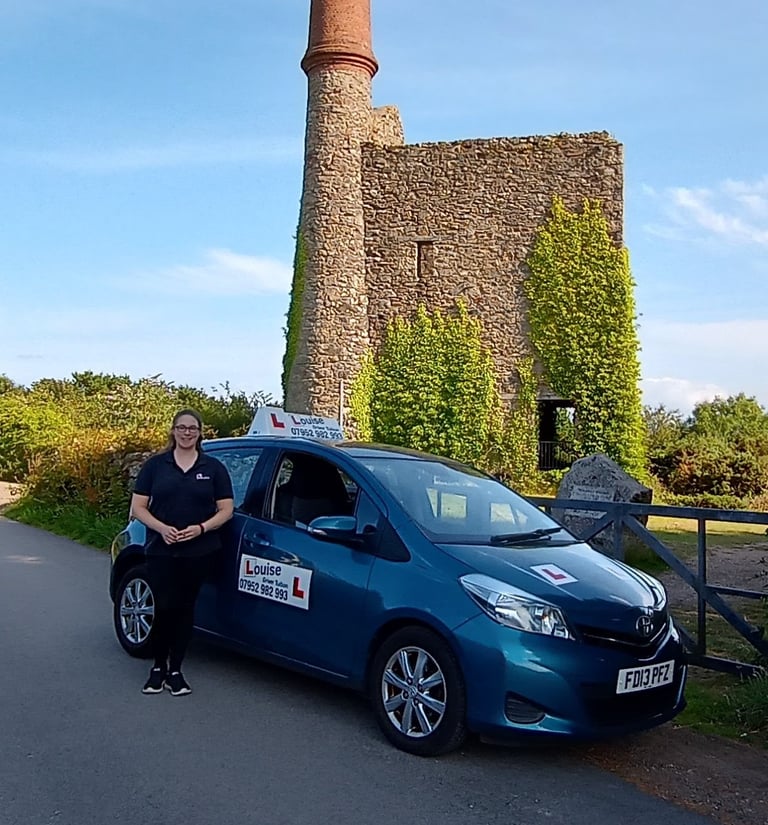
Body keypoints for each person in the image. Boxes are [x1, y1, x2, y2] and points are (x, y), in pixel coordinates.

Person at [130, 408, 234, 696]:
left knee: (185, 608)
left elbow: (226, 510)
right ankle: (157, 668)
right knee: (164, 607)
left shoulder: (213, 468)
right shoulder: (155, 466)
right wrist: (161, 528)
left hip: (199, 550)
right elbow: (138, 507)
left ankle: (176, 671)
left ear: (200, 433)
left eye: (192, 428)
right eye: (182, 427)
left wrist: (202, 528)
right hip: (161, 549)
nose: (187, 433)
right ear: (173, 431)